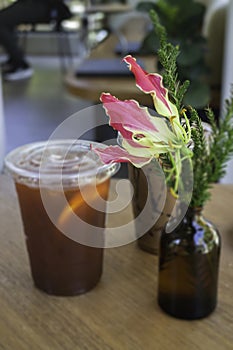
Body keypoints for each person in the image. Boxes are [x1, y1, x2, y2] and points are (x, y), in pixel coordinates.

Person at [0, 0, 72, 81]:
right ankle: (14, 60)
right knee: (4, 18)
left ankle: (21, 65)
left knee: (1, 21)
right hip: (33, 3)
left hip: (46, 6)